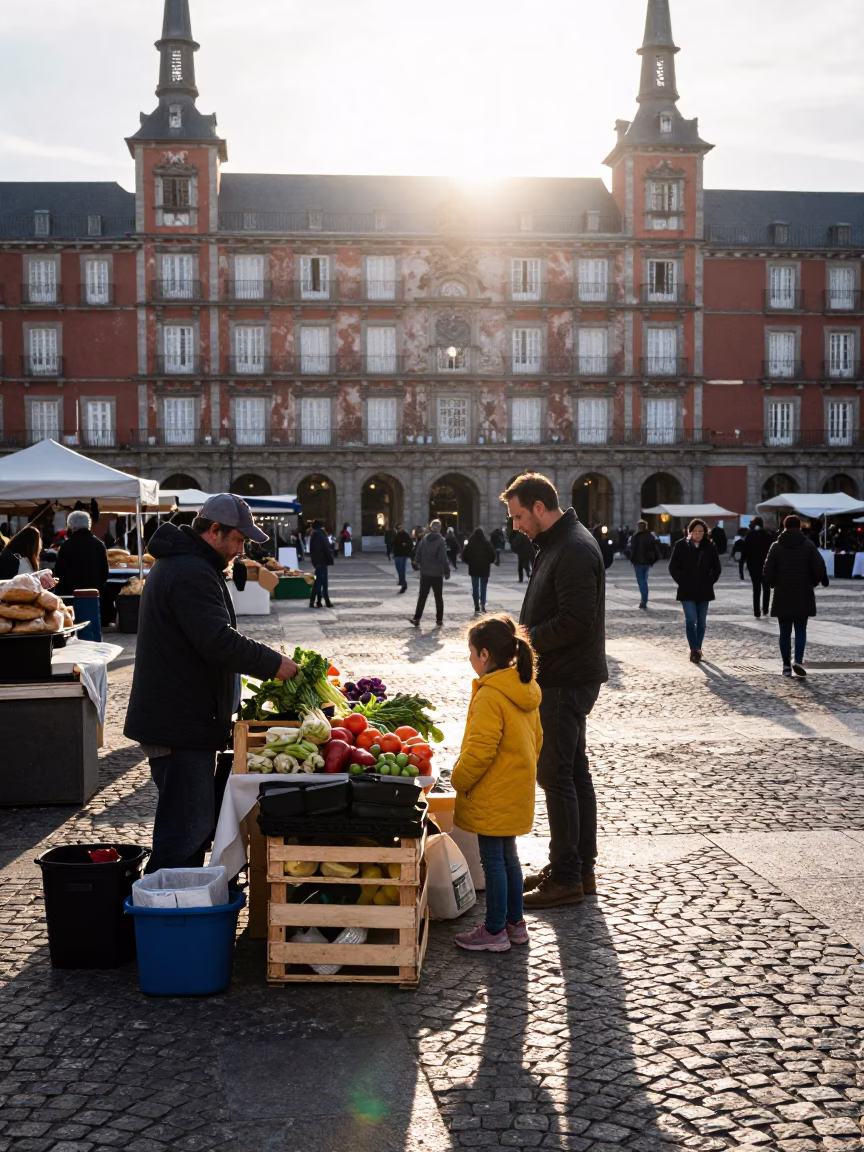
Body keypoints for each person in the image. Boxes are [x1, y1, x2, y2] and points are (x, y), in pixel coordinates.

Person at [124, 494, 297, 873]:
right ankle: (159, 916)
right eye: (236, 540)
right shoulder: (190, 571)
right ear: (214, 530)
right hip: (178, 723)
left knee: (192, 827)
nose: (239, 549)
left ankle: (180, 907)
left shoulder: (191, 566)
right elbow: (216, 639)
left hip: (184, 720)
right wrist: (274, 663)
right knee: (184, 832)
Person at [503, 472, 607, 909]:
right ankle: (578, 868)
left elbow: (574, 622)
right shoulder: (559, 544)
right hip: (564, 675)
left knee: (555, 775)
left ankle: (567, 876)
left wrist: (522, 642)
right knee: (574, 771)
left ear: (540, 508)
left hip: (565, 678)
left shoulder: (574, 549)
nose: (515, 525)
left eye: (518, 516)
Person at [451, 615, 542, 952]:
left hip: (492, 791)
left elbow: (480, 750)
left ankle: (493, 931)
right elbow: (538, 739)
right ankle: (515, 924)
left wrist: (460, 780)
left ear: (485, 655)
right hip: (517, 787)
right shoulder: (524, 687)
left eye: (471, 652)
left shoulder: (490, 695)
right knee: (510, 858)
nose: (470, 658)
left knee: (493, 861)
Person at [763, 514, 829, 677]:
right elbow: (819, 567)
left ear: (784, 527)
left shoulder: (776, 546)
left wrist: (773, 584)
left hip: (782, 593)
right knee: (800, 630)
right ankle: (797, 661)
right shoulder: (808, 545)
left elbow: (767, 570)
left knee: (784, 632)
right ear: (800, 526)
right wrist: (812, 583)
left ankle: (786, 666)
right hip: (803, 592)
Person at [668, 518, 722, 663]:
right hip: (687, 590)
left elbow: (717, 568)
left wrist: (710, 580)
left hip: (704, 590)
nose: (698, 533)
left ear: (705, 533)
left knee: (702, 622)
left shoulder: (710, 546)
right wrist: (682, 579)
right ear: (689, 531)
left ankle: (697, 648)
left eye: (701, 531)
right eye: (695, 531)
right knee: (691, 619)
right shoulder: (681, 545)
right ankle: (694, 649)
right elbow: (672, 566)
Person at [52, 510, 110, 597]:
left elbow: (59, 571)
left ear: (72, 526)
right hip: (93, 594)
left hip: (70, 594)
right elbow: (104, 572)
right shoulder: (99, 545)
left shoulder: (66, 545)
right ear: (88, 525)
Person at [408, 519, 450, 627]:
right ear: (439, 528)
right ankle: (439, 620)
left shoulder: (424, 539)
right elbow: (443, 558)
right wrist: (446, 571)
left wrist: (418, 563)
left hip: (425, 573)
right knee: (438, 597)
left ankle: (417, 618)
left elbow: (418, 554)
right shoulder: (441, 540)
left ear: (431, 528)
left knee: (422, 596)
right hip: (437, 574)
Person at [740, 516, 774, 618]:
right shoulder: (767, 534)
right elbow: (772, 552)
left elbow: (744, 552)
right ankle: (765, 609)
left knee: (756, 588)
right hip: (765, 565)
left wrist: (741, 570)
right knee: (766, 588)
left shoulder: (750, 535)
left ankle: (756, 610)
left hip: (753, 566)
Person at [462, 527, 497, 613]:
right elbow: (493, 555)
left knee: (475, 588)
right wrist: (489, 561)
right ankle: (483, 604)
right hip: (485, 569)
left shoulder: (470, 543)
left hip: (474, 568)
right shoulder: (486, 543)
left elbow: (464, 556)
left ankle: (476, 605)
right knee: (483, 588)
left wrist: (469, 562)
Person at [627, 520, 660, 609]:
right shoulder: (651, 536)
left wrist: (631, 558)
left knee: (641, 581)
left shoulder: (635, 537)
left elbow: (632, 549)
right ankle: (644, 599)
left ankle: (643, 600)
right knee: (644, 580)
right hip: (647, 562)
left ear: (638, 527)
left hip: (638, 562)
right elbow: (655, 548)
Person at [308, 518, 334, 608]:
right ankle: (326, 602)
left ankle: (318, 601)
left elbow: (311, 550)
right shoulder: (321, 535)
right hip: (322, 561)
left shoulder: (314, 535)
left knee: (318, 582)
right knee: (321, 583)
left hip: (317, 562)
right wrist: (330, 559)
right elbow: (327, 548)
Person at [392, 523, 414, 593]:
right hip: (397, 555)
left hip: (403, 555)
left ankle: (404, 585)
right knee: (398, 569)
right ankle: (401, 581)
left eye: (401, 527)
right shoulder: (396, 535)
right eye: (398, 527)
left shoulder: (406, 535)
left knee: (402, 570)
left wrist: (405, 545)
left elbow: (410, 544)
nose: (400, 528)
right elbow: (394, 544)